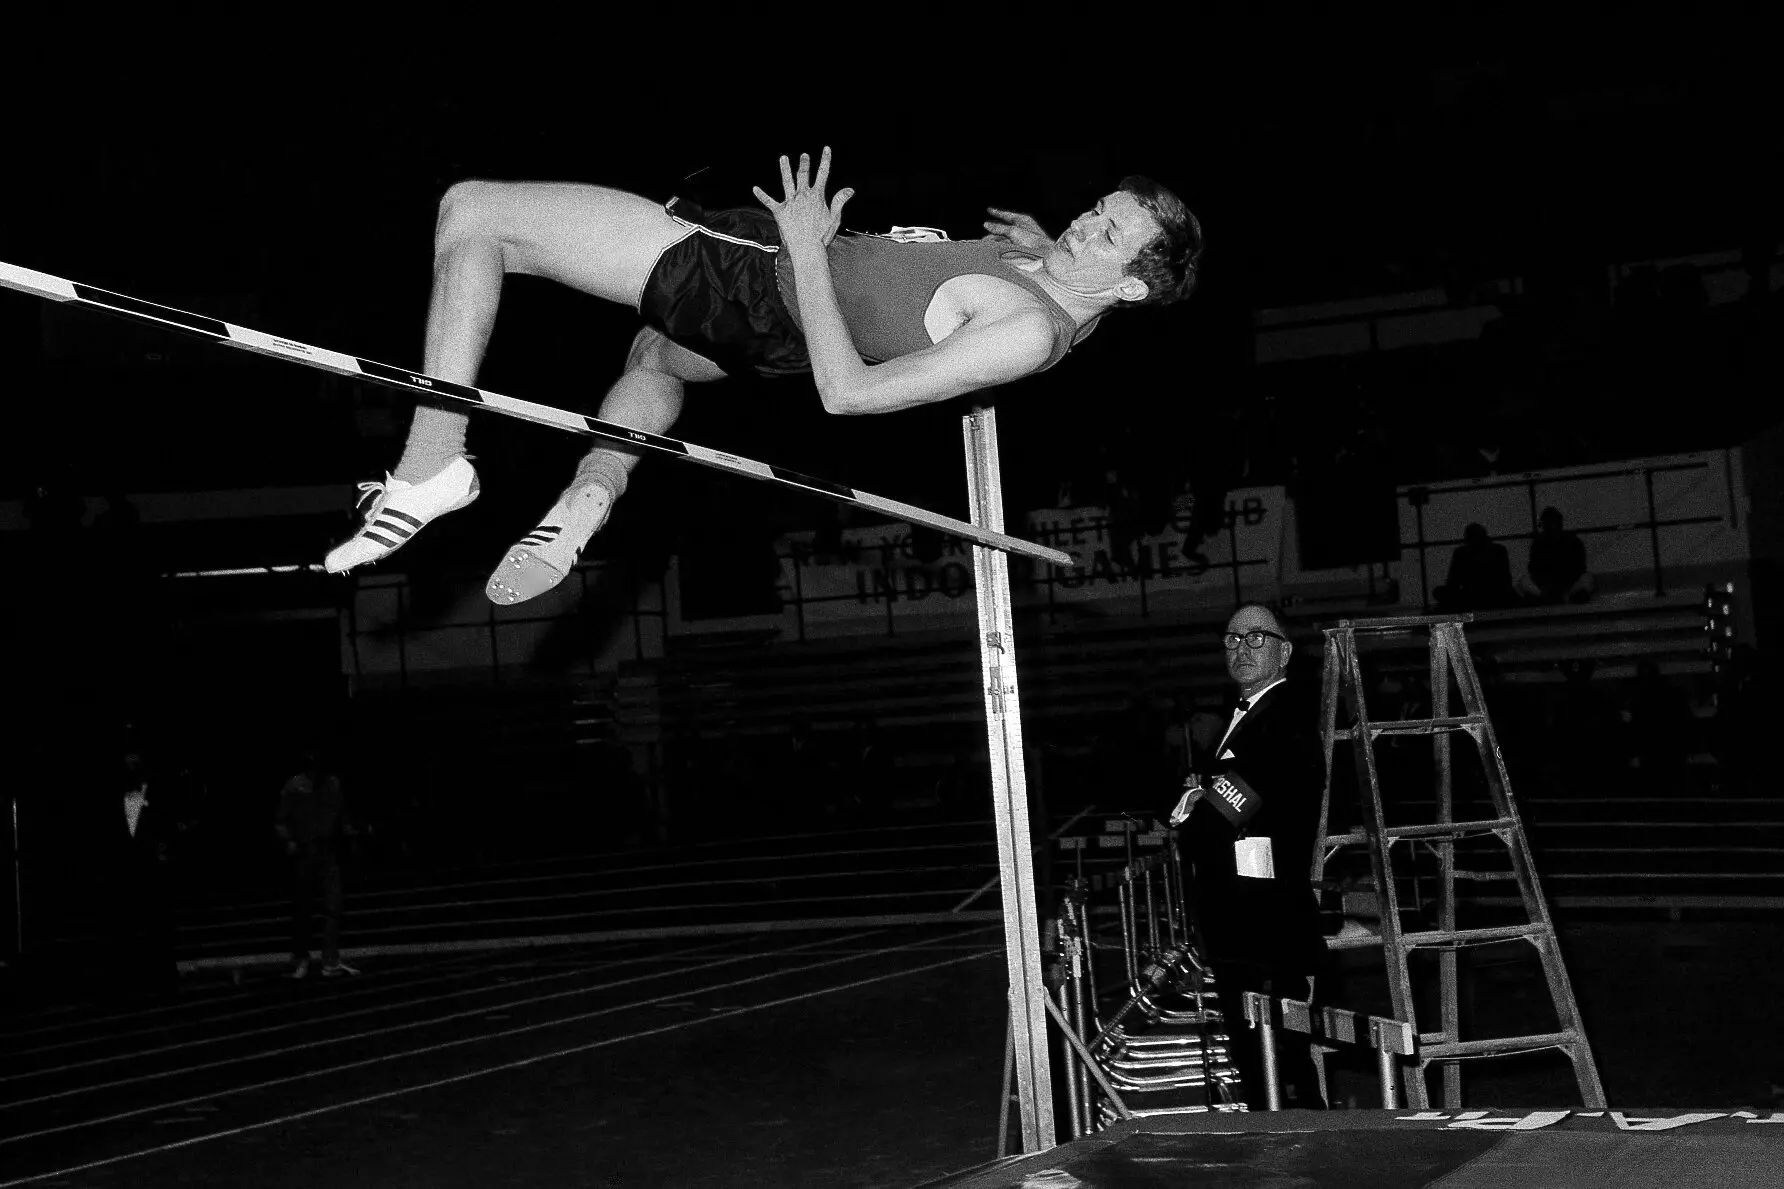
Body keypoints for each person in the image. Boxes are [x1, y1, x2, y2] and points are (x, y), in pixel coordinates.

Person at [324, 147, 1203, 606]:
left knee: (475, 213)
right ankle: (583, 505)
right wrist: (1060, 246)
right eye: (1096, 209)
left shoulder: (1022, 332)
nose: (1086, 225)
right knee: (652, 358)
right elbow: (1076, 295)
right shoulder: (1066, 291)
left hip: (761, 276)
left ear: (1130, 286)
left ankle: (433, 460)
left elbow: (848, 393)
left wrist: (812, 245)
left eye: (1107, 234)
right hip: (772, 316)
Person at [1165, 603, 1328, 1109]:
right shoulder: (1247, 717)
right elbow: (1219, 799)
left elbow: (1215, 823)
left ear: (1285, 652)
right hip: (1242, 917)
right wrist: (1204, 796)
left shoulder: (1281, 720)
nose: (1242, 648)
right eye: (1233, 639)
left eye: (1258, 637)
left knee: (1276, 1062)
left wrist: (1195, 810)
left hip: (1264, 917)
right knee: (1264, 1059)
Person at [276, 750, 357, 978]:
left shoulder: (333, 785)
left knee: (334, 906)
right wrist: (290, 841)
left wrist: (349, 835)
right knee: (303, 908)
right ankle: (301, 959)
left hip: (328, 852)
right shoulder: (295, 786)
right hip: (305, 852)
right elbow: (280, 821)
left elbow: (342, 816)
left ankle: (329, 959)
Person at [1517, 506, 1594, 604]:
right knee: (1588, 578)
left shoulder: (1538, 543)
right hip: (1566, 585)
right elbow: (1580, 568)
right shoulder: (1573, 541)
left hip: (1552, 586)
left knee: (1523, 581)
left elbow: (1533, 569)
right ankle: (1572, 596)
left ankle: (1541, 597)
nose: (1551, 526)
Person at [1433, 522, 1516, 611]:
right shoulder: (1499, 550)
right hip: (1495, 596)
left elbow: (1453, 582)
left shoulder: (1461, 553)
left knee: (1439, 592)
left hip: (1470, 597)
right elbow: (1506, 578)